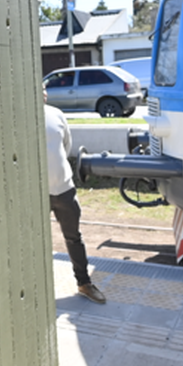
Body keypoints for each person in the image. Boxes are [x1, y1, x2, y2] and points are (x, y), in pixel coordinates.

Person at [44, 89, 106, 303]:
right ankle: (37, 291)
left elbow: (66, 146)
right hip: (37, 194)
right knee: (36, 243)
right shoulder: (20, 118)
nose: (43, 92)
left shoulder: (56, 114)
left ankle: (84, 284)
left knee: (74, 238)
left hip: (64, 189)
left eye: (44, 88)